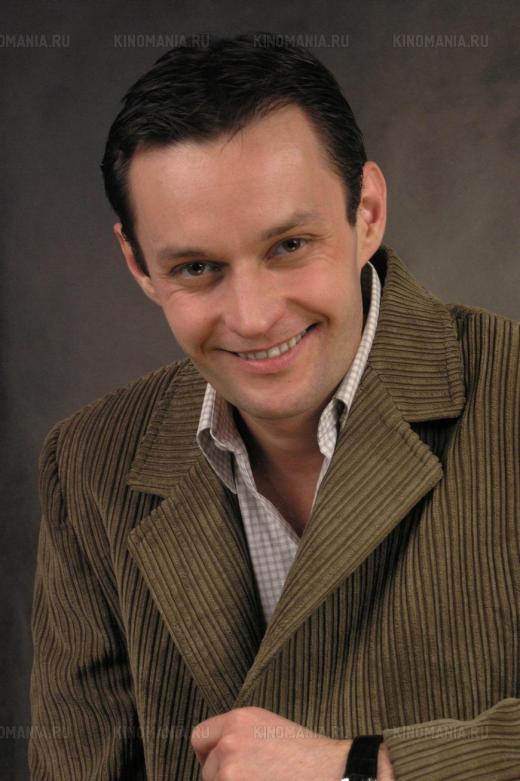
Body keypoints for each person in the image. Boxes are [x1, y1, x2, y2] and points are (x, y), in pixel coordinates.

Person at [29, 32, 519, 781]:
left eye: (289, 245)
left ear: (367, 212)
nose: (254, 318)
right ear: (138, 264)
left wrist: (363, 767)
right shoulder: (88, 465)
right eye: (197, 267)